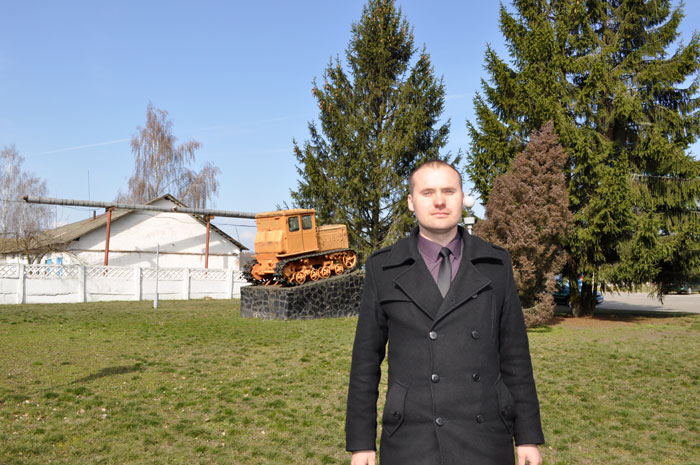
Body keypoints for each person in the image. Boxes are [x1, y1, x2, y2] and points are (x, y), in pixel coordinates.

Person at [345, 160, 544, 465]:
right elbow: (365, 361)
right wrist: (362, 444)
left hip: (485, 436)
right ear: (411, 202)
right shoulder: (383, 268)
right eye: (428, 192)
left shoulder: (496, 264)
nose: (439, 201)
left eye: (449, 191)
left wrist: (527, 435)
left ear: (462, 198)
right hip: (412, 437)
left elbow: (515, 354)